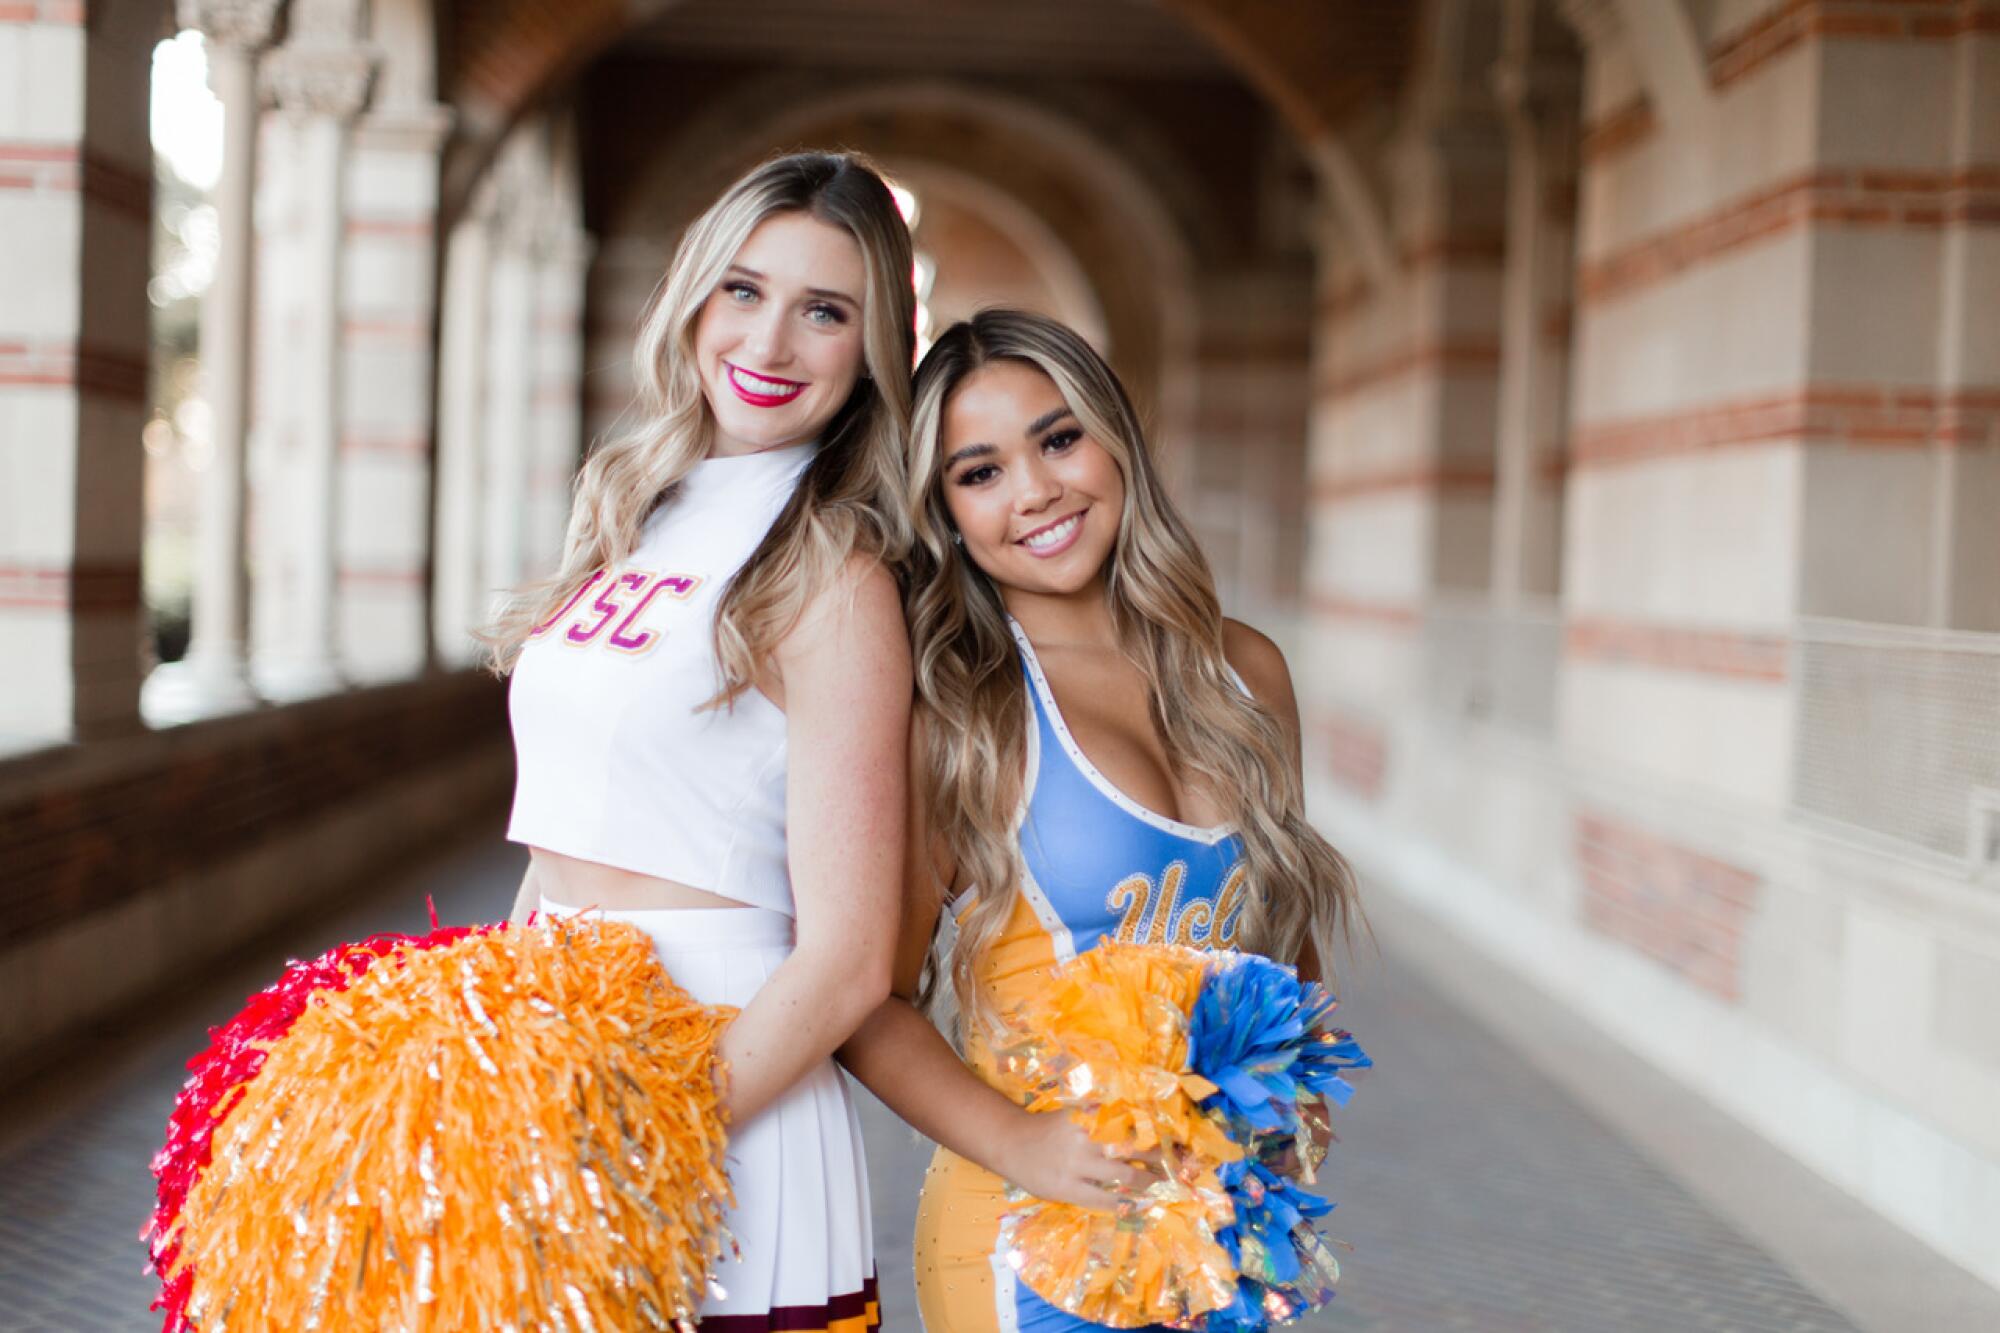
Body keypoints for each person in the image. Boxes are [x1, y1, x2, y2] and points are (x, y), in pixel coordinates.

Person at [837, 309, 1361, 1331]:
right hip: (1029, 1247)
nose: (1034, 490)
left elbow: (1279, 937)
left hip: (1221, 1236)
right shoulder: (962, 712)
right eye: (977, 472)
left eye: (1059, 436)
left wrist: (1298, 1097)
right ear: (942, 513)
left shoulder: (1245, 672)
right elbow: (863, 1002)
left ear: (1116, 437)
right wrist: (1025, 1145)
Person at [491, 151, 914, 1332]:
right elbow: (564, 827)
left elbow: (846, 958)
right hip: (559, 1061)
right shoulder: (630, 506)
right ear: (692, 299)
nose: (770, 343)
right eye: (743, 290)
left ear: (869, 349)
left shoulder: (834, 571)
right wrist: (492, 1060)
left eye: (823, 311)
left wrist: (654, 1120)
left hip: (723, 1080)